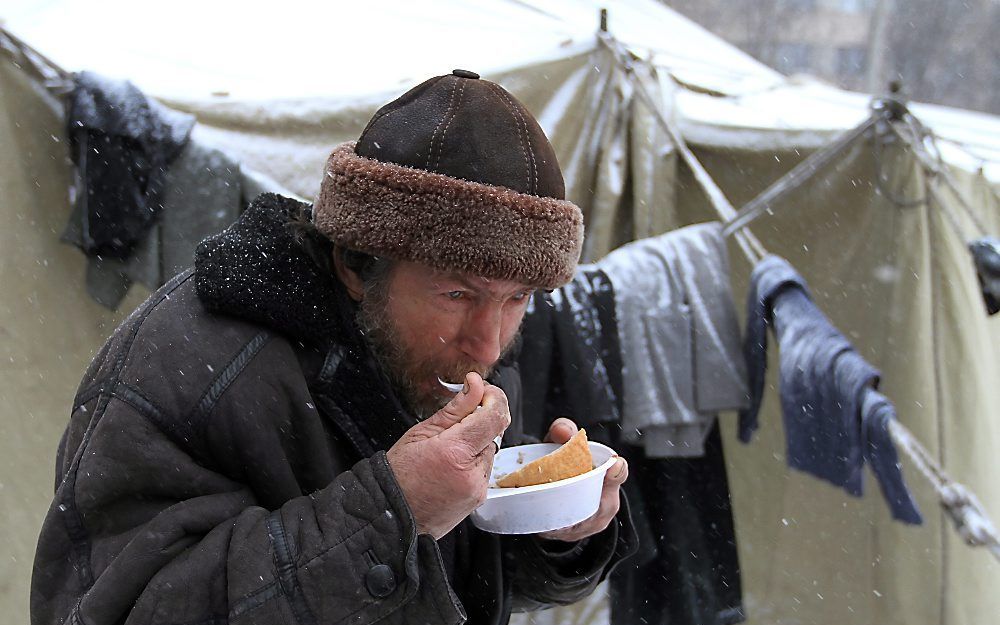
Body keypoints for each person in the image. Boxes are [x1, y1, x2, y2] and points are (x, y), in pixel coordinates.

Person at [31, 70, 637, 625]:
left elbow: (460, 582)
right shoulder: (188, 360)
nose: (488, 341)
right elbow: (105, 610)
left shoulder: (456, 356)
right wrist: (389, 514)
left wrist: (558, 535)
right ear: (356, 264)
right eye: (457, 294)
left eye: (518, 299)